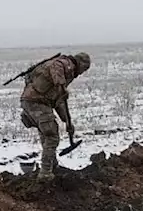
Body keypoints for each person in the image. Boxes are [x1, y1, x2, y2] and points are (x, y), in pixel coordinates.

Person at [19, 52, 92, 180]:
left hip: (34, 102)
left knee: (46, 135)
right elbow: (55, 67)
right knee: (52, 136)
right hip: (36, 102)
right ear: (80, 64)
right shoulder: (64, 64)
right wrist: (61, 85)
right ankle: (45, 173)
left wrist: (67, 121)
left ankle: (52, 166)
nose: (81, 73)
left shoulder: (67, 71)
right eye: (83, 69)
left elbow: (58, 101)